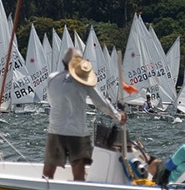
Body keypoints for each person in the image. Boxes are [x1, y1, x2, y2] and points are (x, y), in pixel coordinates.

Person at [44, 48, 126, 181]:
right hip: (76, 131)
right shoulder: (84, 81)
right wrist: (118, 116)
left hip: (55, 129)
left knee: (49, 169)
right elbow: (102, 104)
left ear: (62, 62)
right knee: (78, 167)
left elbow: (51, 101)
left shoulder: (51, 78)